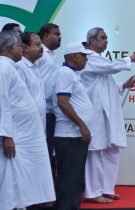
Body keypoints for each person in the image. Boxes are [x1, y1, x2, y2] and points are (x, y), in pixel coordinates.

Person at [81, 27, 135, 203]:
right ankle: (93, 192)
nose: (106, 41)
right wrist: (132, 58)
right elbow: (110, 68)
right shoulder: (87, 58)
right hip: (95, 115)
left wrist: (122, 86)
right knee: (96, 152)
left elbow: (105, 84)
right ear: (91, 40)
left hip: (109, 114)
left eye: (107, 38)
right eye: (102, 38)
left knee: (112, 151)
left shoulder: (101, 60)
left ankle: (107, 189)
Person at [0, 30, 55, 210]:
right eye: (20, 46)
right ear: (10, 48)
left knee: (24, 179)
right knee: (11, 178)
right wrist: (6, 136)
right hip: (16, 136)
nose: (23, 49)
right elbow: (3, 104)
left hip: (27, 134)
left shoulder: (11, 66)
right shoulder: (4, 67)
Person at [53, 42, 93, 210]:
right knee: (70, 181)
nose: (86, 59)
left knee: (75, 181)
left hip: (75, 136)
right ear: (73, 56)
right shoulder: (65, 73)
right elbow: (63, 102)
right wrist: (82, 125)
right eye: (83, 56)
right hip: (69, 136)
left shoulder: (73, 74)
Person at [36, 23, 62, 175]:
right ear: (46, 36)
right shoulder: (41, 55)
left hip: (52, 111)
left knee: (50, 152)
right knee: (45, 151)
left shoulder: (51, 55)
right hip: (43, 111)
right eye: (56, 34)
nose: (60, 37)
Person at [17, 32, 46, 130]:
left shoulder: (35, 67)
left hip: (38, 126)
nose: (42, 47)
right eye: (38, 44)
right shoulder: (19, 67)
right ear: (25, 48)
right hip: (25, 128)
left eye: (41, 44)